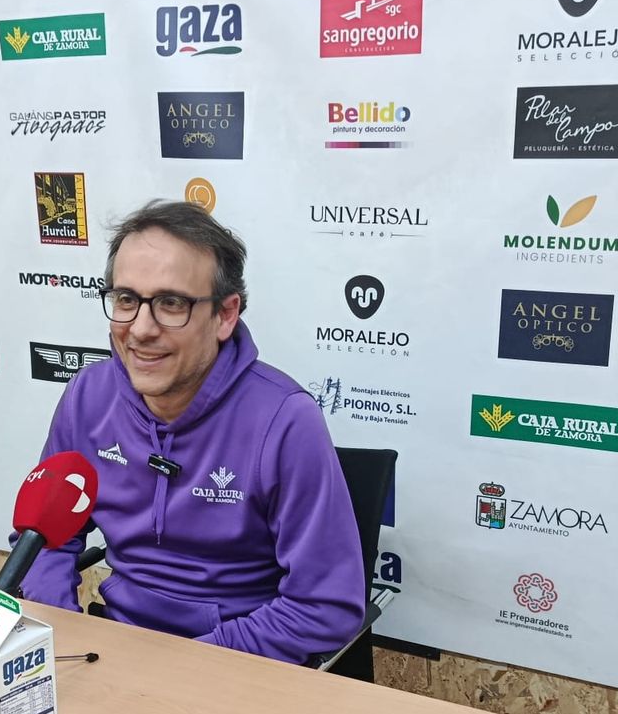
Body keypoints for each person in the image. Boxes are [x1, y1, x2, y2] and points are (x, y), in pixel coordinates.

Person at [19, 199, 368, 665]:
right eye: (126, 300)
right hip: (111, 652)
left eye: (170, 304)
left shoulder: (286, 420)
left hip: (238, 667)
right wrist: (62, 631)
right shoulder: (88, 395)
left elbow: (325, 609)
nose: (141, 329)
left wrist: (182, 668)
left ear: (225, 315)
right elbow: (43, 539)